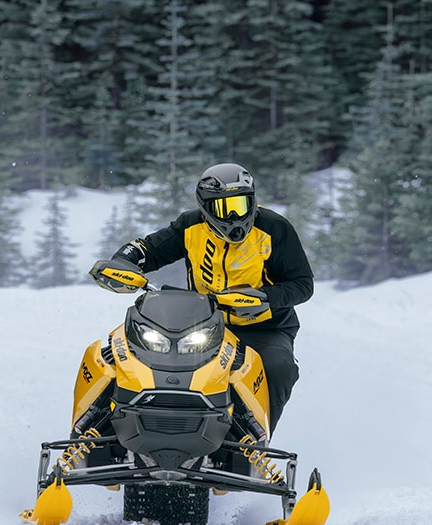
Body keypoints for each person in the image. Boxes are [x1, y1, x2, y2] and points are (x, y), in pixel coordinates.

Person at [96, 162, 314, 433]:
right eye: (224, 208)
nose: (235, 216)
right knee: (119, 354)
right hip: (203, 323)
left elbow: (303, 284)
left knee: (277, 368)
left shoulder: (275, 229)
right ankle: (96, 431)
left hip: (264, 328)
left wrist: (264, 297)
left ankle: (256, 442)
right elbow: (150, 249)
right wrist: (123, 261)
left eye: (242, 205)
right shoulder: (191, 226)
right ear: (205, 207)